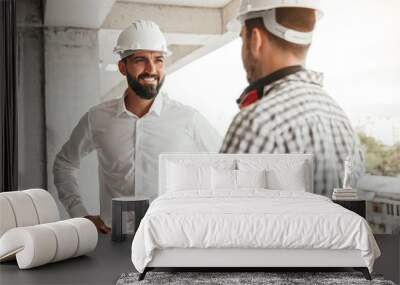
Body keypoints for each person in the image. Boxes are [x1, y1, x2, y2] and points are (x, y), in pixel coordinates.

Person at [53, 20, 221, 233]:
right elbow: (65, 164)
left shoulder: (188, 119)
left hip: (173, 239)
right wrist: (80, 215)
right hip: (115, 242)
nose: (151, 69)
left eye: (158, 60)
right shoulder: (97, 118)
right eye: (141, 60)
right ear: (123, 67)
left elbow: (226, 166)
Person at [221, 0, 364, 196]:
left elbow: (222, 216)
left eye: (243, 38)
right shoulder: (340, 120)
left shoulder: (258, 122)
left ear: (255, 40)